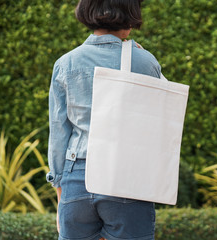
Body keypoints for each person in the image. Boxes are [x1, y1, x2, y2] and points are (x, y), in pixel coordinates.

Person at [46, 1, 161, 239]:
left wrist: (60, 192)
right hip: (127, 178)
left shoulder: (66, 63)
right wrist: (144, 60)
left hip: (77, 176)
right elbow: (161, 118)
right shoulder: (145, 62)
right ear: (130, 16)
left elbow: (59, 133)